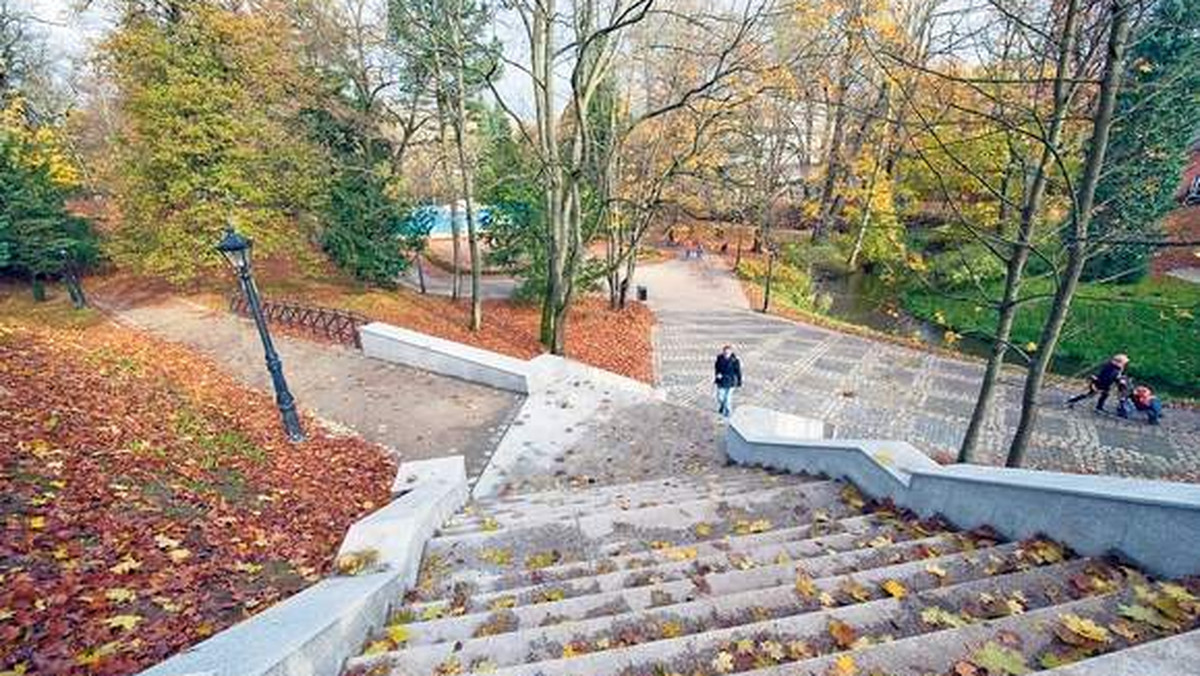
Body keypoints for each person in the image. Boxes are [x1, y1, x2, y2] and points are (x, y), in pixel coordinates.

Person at [714, 345, 742, 418]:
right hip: (721, 381)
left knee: (727, 399)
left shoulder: (735, 361)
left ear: (730, 352)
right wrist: (717, 375)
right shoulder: (719, 359)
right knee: (720, 397)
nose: (726, 354)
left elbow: (738, 372)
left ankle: (728, 413)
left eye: (728, 352)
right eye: (725, 352)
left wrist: (739, 382)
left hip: (730, 381)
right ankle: (722, 406)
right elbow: (716, 368)